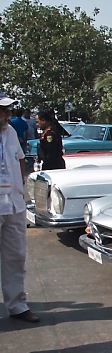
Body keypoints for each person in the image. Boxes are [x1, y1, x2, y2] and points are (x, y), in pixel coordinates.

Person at [0, 92, 39, 323]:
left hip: (13, 204)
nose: (7, 114)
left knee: (15, 256)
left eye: (7, 110)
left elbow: (21, 159)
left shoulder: (11, 132)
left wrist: (21, 189)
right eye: (2, 110)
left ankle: (17, 304)